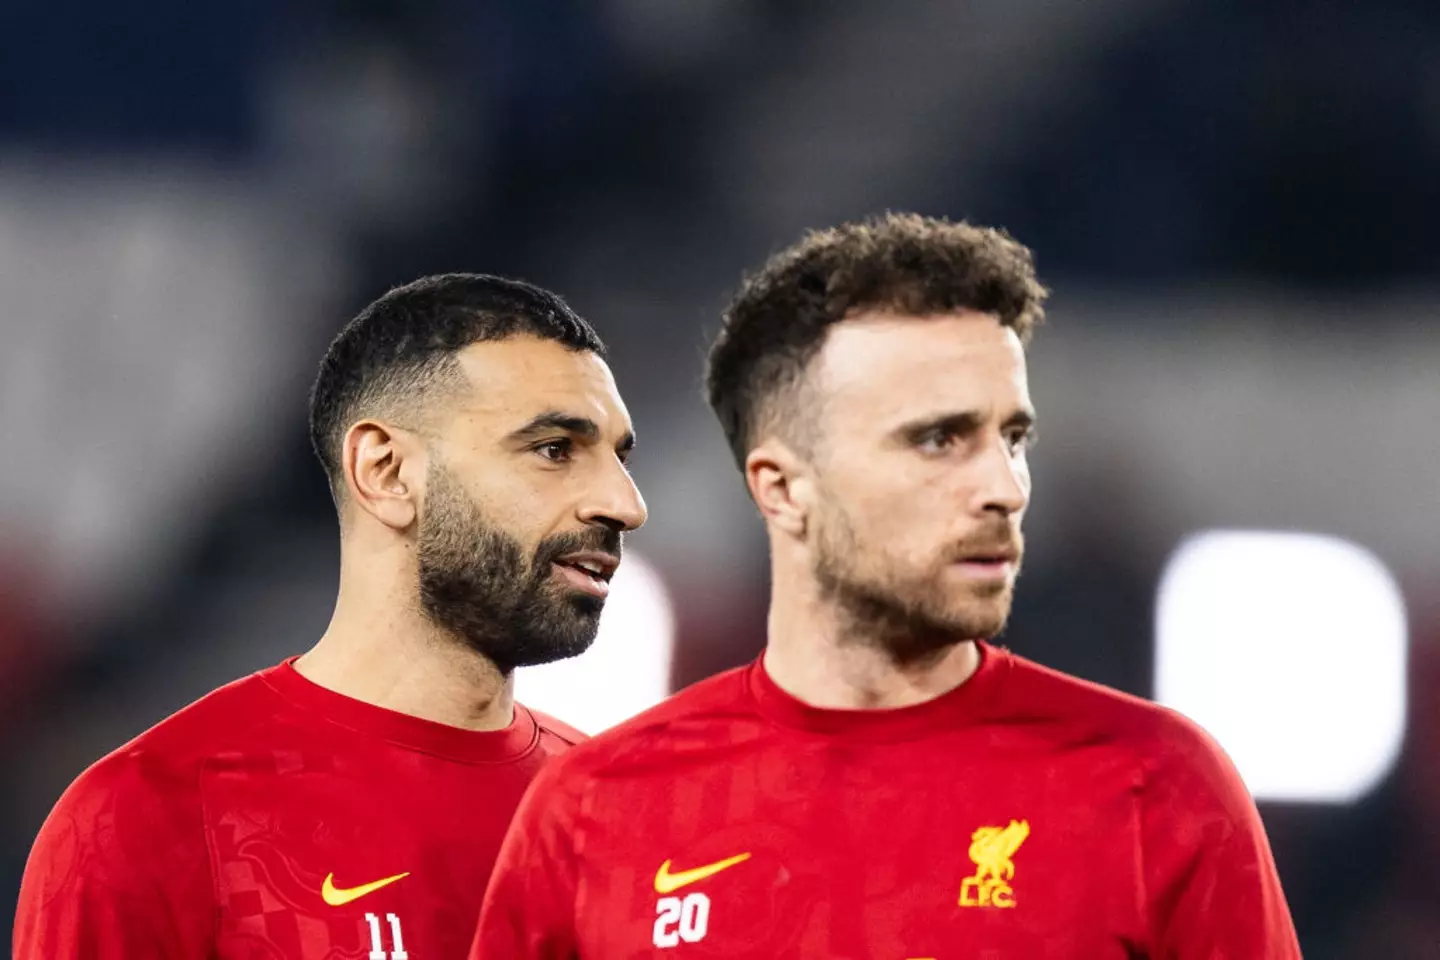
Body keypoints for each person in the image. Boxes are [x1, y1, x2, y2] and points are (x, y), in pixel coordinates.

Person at [472, 215, 1302, 958]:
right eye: (938, 440)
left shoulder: (1159, 789)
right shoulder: (592, 813)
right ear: (783, 487)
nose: (1004, 487)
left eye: (1011, 438)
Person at [15, 273, 646, 959]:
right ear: (386, 471)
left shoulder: (621, 818)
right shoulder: (154, 815)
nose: (624, 503)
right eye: (555, 450)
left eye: (619, 457)